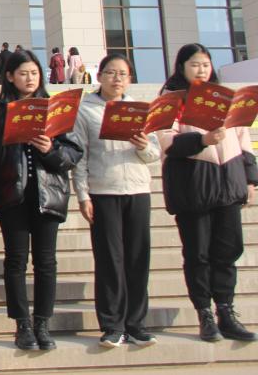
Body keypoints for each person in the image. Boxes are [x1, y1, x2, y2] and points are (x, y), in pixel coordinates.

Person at [0, 50, 82, 351]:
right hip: (13, 196)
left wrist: (50, 149)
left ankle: (42, 323)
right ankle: (22, 324)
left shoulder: (56, 107)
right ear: (10, 76)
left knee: (46, 262)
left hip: (49, 194)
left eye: (34, 73)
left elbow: (73, 153)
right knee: (16, 261)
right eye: (23, 73)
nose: (29, 78)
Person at [158, 43, 257, 342]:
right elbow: (167, 142)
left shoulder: (225, 97)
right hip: (193, 186)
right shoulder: (171, 99)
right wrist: (203, 140)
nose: (201, 70)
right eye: (194, 64)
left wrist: (250, 179)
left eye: (205, 64)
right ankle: (205, 314)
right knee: (198, 254)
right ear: (181, 67)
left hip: (228, 183)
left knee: (227, 251)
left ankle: (226, 312)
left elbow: (243, 139)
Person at [70, 53, 160, 348]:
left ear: (130, 79)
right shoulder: (85, 110)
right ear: (99, 76)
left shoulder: (140, 110)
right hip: (103, 191)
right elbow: (79, 156)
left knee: (138, 258)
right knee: (109, 259)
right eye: (111, 72)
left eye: (123, 73)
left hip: (137, 190)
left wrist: (143, 146)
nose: (117, 78)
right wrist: (82, 195)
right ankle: (112, 325)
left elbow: (154, 154)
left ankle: (136, 324)